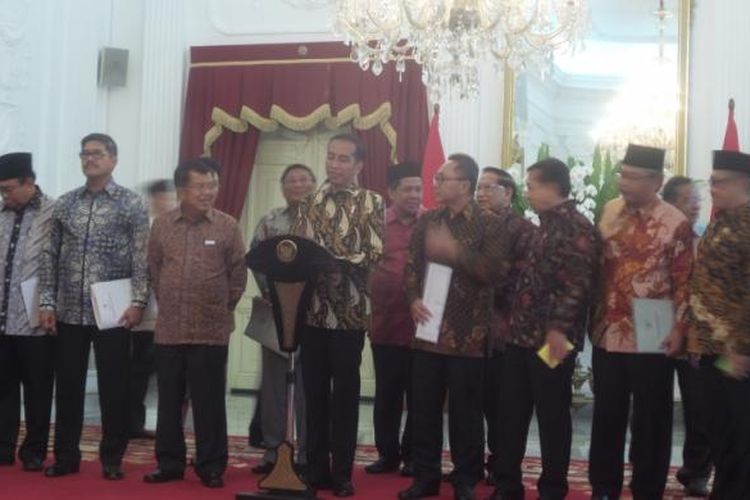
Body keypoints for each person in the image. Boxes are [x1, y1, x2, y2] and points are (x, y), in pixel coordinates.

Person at [399, 153, 512, 500]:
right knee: (423, 410)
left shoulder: (490, 224)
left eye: (441, 178)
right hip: (428, 329)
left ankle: (465, 480)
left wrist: (455, 251)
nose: (434, 184)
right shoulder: (428, 221)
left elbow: (496, 272)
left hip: (468, 334)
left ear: (463, 184)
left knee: (466, 413)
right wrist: (413, 298)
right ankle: (425, 477)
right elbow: (412, 265)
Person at [38, 133, 150, 481]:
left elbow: (141, 256)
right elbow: (49, 255)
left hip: (113, 312)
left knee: (114, 387)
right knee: (68, 386)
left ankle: (112, 458)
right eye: (84, 154)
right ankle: (66, 457)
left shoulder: (131, 204)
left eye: (97, 154)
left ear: (113, 159)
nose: (89, 159)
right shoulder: (66, 204)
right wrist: (46, 301)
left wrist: (138, 301)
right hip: (70, 310)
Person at [489, 158, 599, 500]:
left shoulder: (578, 228)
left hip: (554, 341)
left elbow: (577, 287)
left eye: (532, 186)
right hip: (521, 337)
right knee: (511, 412)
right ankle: (508, 485)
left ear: (553, 187)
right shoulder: (544, 226)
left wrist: (557, 332)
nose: (528, 192)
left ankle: (552, 488)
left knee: (552, 415)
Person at [588, 144, 693, 499]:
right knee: (607, 414)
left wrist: (680, 328)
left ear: (657, 180)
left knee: (651, 417)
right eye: (622, 174)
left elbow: (684, 280)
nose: (624, 182)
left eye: (633, 177)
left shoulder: (674, 222)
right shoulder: (609, 211)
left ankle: (647, 488)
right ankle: (604, 487)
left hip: (653, 332)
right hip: (608, 330)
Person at [143, 157, 246, 489]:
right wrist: (173, 299)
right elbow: (154, 270)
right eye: (200, 186)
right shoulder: (162, 225)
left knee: (209, 402)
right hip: (170, 328)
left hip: (211, 330)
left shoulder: (227, 225)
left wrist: (217, 307)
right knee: (169, 400)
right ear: (182, 189)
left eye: (213, 185)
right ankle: (170, 463)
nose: (208, 192)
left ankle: (211, 466)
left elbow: (238, 277)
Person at [292, 133, 385, 497]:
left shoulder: (371, 202)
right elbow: (301, 250)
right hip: (313, 313)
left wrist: (336, 263)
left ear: (359, 165)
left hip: (349, 315)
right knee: (313, 394)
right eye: (331, 157)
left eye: (343, 159)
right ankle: (315, 469)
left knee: (345, 395)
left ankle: (343, 472)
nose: (334, 164)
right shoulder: (309, 201)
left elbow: (374, 253)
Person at [687, 150, 750, 500]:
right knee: (720, 429)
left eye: (720, 182)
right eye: (711, 182)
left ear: (743, 182)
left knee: (741, 433)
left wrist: (741, 348)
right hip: (712, 348)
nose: (713, 188)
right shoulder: (720, 221)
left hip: (737, 351)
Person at [249, 163, 316, 474]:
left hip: (316, 315)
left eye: (304, 179)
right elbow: (256, 259)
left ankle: (305, 452)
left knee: (309, 385)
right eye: (292, 180)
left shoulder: (325, 220)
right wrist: (272, 294)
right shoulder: (270, 221)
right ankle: (273, 450)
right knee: (274, 385)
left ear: (314, 184)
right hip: (275, 313)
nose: (298, 185)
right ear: (283, 187)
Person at [474, 167, 535, 486]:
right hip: (472, 332)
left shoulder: (523, 230)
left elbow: (522, 282)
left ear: (508, 193)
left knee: (504, 405)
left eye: (488, 188)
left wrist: (480, 281)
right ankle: (475, 462)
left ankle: (503, 463)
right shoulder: (472, 226)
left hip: (506, 333)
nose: (480, 194)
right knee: (477, 401)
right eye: (478, 188)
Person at [365, 161, 423, 477]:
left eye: (419, 188)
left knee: (420, 396)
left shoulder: (432, 223)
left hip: (423, 327)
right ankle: (387, 454)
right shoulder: (376, 224)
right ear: (391, 191)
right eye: (408, 189)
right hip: (386, 324)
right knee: (387, 394)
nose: (415, 195)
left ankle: (413, 456)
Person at [0, 153, 55, 472]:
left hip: (36, 319)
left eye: (9, 189)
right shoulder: (2, 213)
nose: (5, 195)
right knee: (3, 388)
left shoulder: (54, 211)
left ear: (29, 182)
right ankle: (3, 447)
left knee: (37, 389)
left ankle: (34, 450)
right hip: (2, 319)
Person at [662, 175, 712, 497]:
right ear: (669, 204)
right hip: (657, 331)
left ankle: (695, 473)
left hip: (695, 339)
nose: (695, 206)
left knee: (699, 409)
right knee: (651, 405)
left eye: (697, 200)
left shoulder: (705, 239)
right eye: (688, 200)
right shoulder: (656, 237)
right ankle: (646, 463)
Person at [128, 179, 177, 440]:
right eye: (161, 197)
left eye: (169, 197)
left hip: (171, 317)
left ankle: (169, 427)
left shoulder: (178, 227)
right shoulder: (143, 227)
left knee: (169, 376)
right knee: (138, 373)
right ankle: (133, 424)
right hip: (144, 316)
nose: (166, 201)